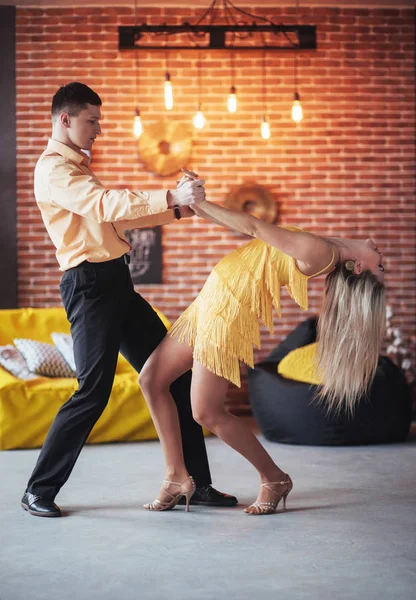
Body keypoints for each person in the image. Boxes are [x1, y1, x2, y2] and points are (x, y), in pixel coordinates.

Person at [21, 83, 237, 518]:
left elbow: (118, 213)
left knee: (174, 377)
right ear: (65, 119)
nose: (99, 129)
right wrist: (172, 196)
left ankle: (197, 483)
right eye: (92, 120)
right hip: (89, 286)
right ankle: (37, 490)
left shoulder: (78, 166)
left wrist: (179, 207)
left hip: (116, 283)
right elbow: (104, 205)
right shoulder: (53, 170)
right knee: (93, 391)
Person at [139, 171, 386, 515]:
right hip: (210, 302)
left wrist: (200, 202)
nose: (382, 258)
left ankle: (274, 478)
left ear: (358, 267)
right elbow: (239, 225)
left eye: (381, 267)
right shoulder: (330, 246)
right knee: (151, 379)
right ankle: (175, 476)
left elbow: (254, 228)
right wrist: (191, 201)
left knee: (205, 411)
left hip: (227, 313)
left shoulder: (320, 253)